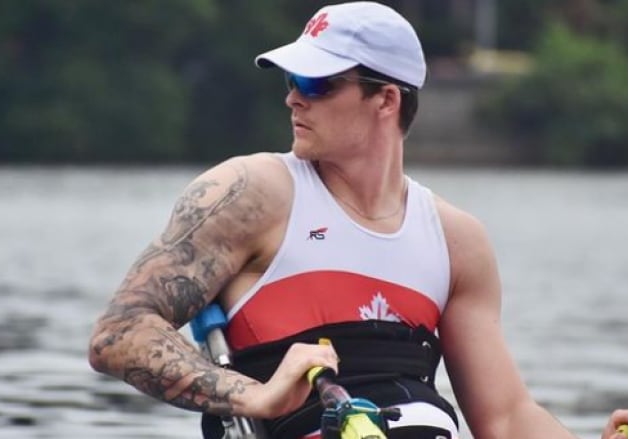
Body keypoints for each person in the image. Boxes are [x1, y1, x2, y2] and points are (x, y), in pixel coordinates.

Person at [89, 2, 628, 438]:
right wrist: (253, 394)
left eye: (315, 81)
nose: (293, 98)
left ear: (386, 99)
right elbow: (119, 333)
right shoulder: (253, 192)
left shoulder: (457, 239)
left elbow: (506, 418)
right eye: (290, 79)